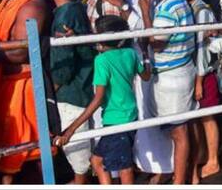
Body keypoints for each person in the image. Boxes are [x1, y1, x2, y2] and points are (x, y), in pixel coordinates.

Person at [98, 0, 173, 181]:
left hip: (147, 58)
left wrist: (122, 6)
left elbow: (145, 29)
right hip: (133, 59)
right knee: (141, 116)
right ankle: (145, 164)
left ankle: (161, 168)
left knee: (151, 117)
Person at [54, 15, 152, 185]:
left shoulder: (102, 61)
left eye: (96, 33)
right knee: (97, 161)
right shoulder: (130, 53)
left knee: (125, 168)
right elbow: (146, 76)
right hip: (129, 115)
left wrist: (71, 129)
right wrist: (144, 52)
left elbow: (98, 99)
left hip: (116, 120)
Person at [139, 0, 197, 184]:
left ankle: (179, 181)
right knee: (177, 130)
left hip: (173, 76)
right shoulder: (170, 2)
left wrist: (145, 13)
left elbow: (156, 43)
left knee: (178, 132)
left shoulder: (168, 6)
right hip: (174, 72)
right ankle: (179, 175)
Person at [0, 0, 49, 184]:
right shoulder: (11, 1)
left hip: (22, 85)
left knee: (27, 150)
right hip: (7, 82)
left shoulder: (31, 6)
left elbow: (20, 53)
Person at [41, 0, 95, 184]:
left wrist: (51, 88)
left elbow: (64, 68)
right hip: (83, 86)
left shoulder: (64, 17)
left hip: (72, 92)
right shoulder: (76, 8)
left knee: (76, 149)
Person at [176, 0, 220, 181]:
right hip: (192, 71)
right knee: (196, 120)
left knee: (207, 117)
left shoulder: (201, 11)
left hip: (202, 72)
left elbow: (203, 49)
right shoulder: (186, 7)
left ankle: (213, 160)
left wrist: (199, 81)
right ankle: (202, 157)